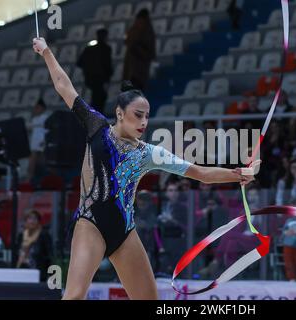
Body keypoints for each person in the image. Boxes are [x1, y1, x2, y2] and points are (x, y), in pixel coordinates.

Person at [32, 37, 257, 300]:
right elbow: (63, 86)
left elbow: (200, 173)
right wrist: (46, 50)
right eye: (138, 114)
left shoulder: (149, 153)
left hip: (124, 232)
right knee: (73, 297)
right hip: (90, 223)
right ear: (119, 113)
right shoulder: (97, 127)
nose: (144, 122)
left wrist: (237, 173)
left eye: (147, 116)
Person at [77, 28, 113, 113]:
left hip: (91, 77)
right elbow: (107, 64)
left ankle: (95, 115)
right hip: (99, 78)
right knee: (99, 97)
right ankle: (97, 115)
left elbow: (79, 63)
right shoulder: (106, 49)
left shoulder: (89, 49)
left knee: (97, 97)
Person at [122, 9, 156, 91]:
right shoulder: (147, 29)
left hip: (135, 66)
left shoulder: (135, 28)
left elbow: (127, 41)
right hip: (138, 67)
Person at [16, 210, 53, 281]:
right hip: (21, 272)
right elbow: (16, 254)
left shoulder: (44, 235)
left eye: (35, 218)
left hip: (38, 274)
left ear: (38, 221)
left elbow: (49, 257)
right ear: (25, 220)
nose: (32, 221)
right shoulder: (21, 236)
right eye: (30, 218)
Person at [27, 98, 50, 183]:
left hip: (42, 144)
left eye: (38, 107)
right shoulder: (34, 119)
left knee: (43, 164)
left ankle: (46, 180)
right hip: (34, 145)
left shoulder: (45, 117)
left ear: (42, 108)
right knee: (32, 164)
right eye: (35, 107)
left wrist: (44, 141)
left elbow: (47, 131)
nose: (35, 109)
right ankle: (29, 180)